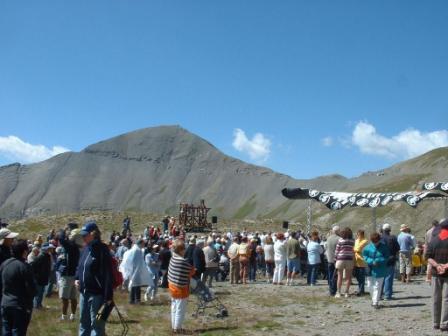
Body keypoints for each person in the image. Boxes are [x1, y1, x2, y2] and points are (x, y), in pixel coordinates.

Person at [75, 221, 113, 336]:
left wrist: (107, 297)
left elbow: (107, 274)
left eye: (85, 235)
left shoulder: (102, 250)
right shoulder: (86, 248)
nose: (83, 237)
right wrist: (77, 278)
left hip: (97, 295)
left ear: (93, 234)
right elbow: (80, 266)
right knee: (83, 322)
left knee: (97, 324)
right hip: (83, 293)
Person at [0, 239, 36, 336]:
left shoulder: (4, 264)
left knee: (5, 331)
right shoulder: (25, 267)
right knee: (18, 332)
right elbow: (32, 289)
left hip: (5, 303)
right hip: (20, 305)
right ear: (24, 252)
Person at [168, 239, 195, 334]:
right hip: (180, 289)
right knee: (180, 310)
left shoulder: (173, 258)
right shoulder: (183, 262)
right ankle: (177, 329)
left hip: (172, 287)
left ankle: (174, 326)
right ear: (181, 250)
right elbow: (191, 271)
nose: (185, 250)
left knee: (174, 308)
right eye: (184, 249)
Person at [426, 218, 448, 331]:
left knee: (435, 298)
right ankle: (445, 324)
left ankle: (435, 323)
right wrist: (445, 266)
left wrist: (437, 266)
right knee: (446, 299)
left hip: (435, 273)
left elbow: (428, 257)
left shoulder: (434, 240)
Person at [58, 229, 82, 321]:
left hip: (67, 275)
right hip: (75, 275)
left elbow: (61, 239)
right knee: (73, 297)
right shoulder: (77, 247)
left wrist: (63, 230)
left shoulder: (70, 246)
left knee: (64, 297)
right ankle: (73, 315)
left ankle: (64, 316)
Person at [120, 239, 152, 305]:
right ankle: (137, 300)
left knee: (134, 285)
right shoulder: (137, 250)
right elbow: (137, 262)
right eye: (143, 243)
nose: (144, 245)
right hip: (136, 270)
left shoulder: (134, 249)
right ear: (140, 243)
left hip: (134, 270)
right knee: (136, 286)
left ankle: (132, 300)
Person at [362, 232, 389, 309]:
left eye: (376, 241)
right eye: (374, 241)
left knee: (377, 286)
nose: (375, 243)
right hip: (369, 269)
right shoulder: (367, 247)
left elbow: (386, 257)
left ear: (379, 240)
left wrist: (378, 260)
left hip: (380, 269)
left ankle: (375, 302)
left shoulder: (384, 247)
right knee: (369, 285)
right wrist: (371, 261)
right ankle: (374, 299)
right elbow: (364, 256)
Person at [0, 228, 19, 331]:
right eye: (10, 238)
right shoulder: (2, 251)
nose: (13, 239)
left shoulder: (8, 250)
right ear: (4, 239)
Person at [381, 223, 400, 300]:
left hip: (381, 260)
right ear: (390, 230)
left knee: (381, 277)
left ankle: (379, 294)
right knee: (388, 277)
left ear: (383, 229)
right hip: (391, 259)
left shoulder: (380, 238)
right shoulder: (393, 238)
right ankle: (387, 295)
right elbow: (398, 248)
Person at [31, 242, 53, 309]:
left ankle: (39, 305)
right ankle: (36, 306)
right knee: (38, 293)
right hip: (39, 278)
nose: (51, 249)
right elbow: (33, 266)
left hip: (44, 277)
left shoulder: (47, 256)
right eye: (49, 248)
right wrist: (37, 275)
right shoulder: (41, 256)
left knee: (41, 292)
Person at [334, 227, 355, 298]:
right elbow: (353, 250)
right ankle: (346, 292)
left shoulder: (340, 240)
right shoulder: (353, 241)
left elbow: (337, 251)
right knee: (348, 277)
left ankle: (338, 292)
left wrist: (335, 258)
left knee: (339, 277)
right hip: (349, 259)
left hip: (340, 259)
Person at [325, 226, 340, 296]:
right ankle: (333, 291)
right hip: (336, 260)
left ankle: (330, 289)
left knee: (330, 275)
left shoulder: (328, 238)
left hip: (329, 259)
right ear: (338, 231)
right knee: (335, 276)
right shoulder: (339, 239)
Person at [353, 230, 368, 296]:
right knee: (357, 276)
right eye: (357, 234)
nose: (358, 236)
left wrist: (355, 250)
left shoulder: (365, 241)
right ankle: (360, 289)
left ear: (362, 235)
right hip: (356, 261)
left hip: (362, 261)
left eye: (359, 234)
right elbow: (355, 249)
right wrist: (356, 250)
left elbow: (358, 249)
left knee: (361, 277)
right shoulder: (356, 241)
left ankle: (361, 290)